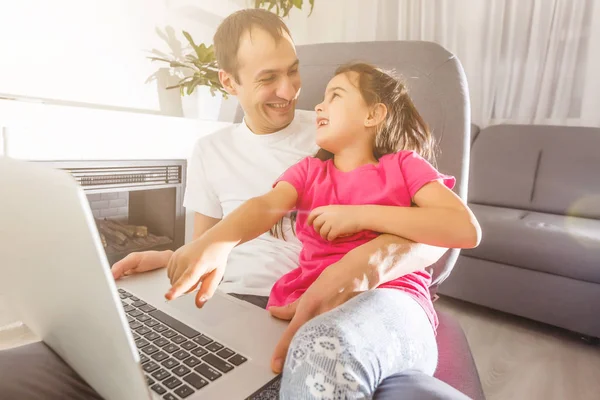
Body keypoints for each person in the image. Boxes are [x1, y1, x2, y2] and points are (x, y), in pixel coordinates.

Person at [0, 9, 472, 400]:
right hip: (234, 308)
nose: (292, 92)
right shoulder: (218, 152)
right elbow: (240, 225)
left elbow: (437, 231)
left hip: (318, 306)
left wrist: (373, 254)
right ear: (230, 82)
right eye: (269, 78)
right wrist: (179, 256)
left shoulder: (337, 136)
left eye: (294, 71)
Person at [164, 61, 481, 398]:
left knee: (326, 350)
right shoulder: (308, 172)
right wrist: (217, 241)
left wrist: (360, 216)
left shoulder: (404, 166)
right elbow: (265, 205)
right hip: (305, 309)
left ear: (373, 115)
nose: (318, 105)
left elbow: (464, 228)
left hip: (394, 303)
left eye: (335, 96)